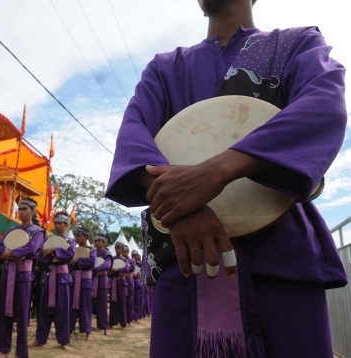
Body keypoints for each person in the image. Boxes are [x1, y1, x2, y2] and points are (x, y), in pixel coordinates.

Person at [105, 0, 347, 357]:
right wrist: (181, 207)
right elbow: (133, 137)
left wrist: (216, 173)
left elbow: (323, 104)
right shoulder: (165, 68)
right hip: (183, 255)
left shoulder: (298, 43)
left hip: (280, 258)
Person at [0, 197, 44, 358]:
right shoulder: (12, 230)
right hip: (8, 275)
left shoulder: (38, 232)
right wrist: (11, 255)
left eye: (24, 209)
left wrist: (12, 253)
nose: (21, 212)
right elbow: (0, 247)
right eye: (19, 209)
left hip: (24, 276)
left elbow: (32, 248)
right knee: (3, 312)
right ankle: (4, 350)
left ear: (33, 211)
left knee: (22, 315)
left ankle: (21, 353)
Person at [29, 211, 75, 351]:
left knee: (62, 309)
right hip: (48, 277)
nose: (58, 225)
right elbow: (43, 257)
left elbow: (70, 255)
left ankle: (63, 342)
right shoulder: (47, 239)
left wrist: (53, 250)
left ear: (66, 225)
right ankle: (40, 339)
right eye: (56, 223)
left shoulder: (70, 241)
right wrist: (47, 255)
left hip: (62, 278)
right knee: (43, 309)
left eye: (61, 223)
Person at [69, 227, 97, 341]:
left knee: (86, 306)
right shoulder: (74, 249)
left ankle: (87, 332)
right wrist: (74, 262)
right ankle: (70, 330)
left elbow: (92, 262)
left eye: (80, 236)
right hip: (75, 280)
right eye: (77, 236)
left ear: (86, 237)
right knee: (72, 306)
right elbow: (70, 264)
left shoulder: (92, 250)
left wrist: (78, 261)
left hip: (86, 281)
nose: (78, 238)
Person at [92, 234, 113, 335]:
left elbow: (107, 265)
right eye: (95, 241)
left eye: (99, 241)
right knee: (89, 304)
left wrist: (95, 269)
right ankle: (87, 327)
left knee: (103, 305)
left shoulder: (107, 253)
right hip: (92, 280)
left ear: (103, 242)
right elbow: (89, 263)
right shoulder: (93, 252)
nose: (97, 243)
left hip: (103, 282)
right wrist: (95, 270)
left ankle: (105, 327)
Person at [108, 243, 129, 329]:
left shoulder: (124, 259)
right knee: (113, 303)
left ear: (122, 249)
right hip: (114, 282)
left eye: (119, 248)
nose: (118, 250)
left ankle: (123, 323)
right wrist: (114, 271)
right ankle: (112, 323)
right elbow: (109, 269)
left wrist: (117, 269)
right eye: (116, 248)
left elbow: (127, 269)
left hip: (122, 283)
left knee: (122, 302)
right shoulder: (112, 258)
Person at [121, 245, 136, 326]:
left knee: (129, 300)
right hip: (122, 280)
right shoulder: (121, 259)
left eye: (125, 252)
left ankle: (130, 319)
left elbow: (132, 268)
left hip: (129, 281)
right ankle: (123, 318)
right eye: (122, 252)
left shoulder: (132, 260)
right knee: (122, 300)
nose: (123, 253)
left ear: (128, 252)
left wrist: (124, 268)